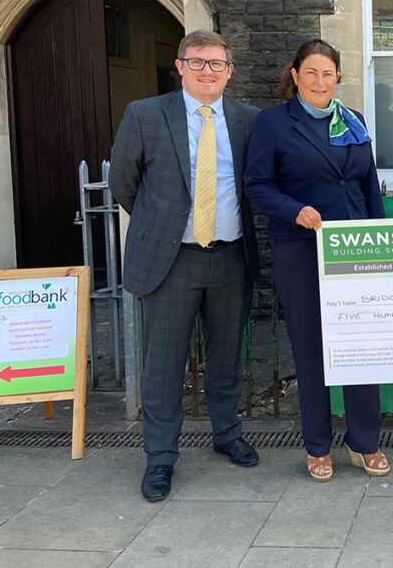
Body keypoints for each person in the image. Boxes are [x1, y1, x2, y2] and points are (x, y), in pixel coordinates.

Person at [109, 29, 261, 502]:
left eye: (216, 63)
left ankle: (226, 433)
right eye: (197, 62)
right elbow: (123, 182)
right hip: (171, 261)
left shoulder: (247, 120)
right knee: (162, 366)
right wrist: (163, 224)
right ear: (180, 66)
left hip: (230, 257)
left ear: (229, 71)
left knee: (226, 357)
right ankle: (159, 459)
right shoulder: (145, 115)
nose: (207, 71)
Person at [244, 39, 389, 482]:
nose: (319, 81)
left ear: (338, 78)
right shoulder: (273, 123)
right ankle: (318, 446)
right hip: (301, 249)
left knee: (361, 345)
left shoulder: (354, 121)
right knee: (310, 347)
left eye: (328, 73)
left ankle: (364, 443)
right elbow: (257, 184)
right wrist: (293, 210)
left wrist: (378, 238)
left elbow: (368, 184)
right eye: (311, 72)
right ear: (295, 75)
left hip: (354, 248)